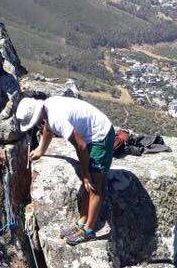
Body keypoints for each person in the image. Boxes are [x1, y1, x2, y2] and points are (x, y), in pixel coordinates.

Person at [16, 96, 115, 245]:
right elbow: (48, 129)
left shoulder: (56, 118)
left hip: (100, 136)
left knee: (94, 185)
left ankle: (88, 231)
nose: (36, 125)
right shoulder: (48, 107)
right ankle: (81, 223)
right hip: (91, 135)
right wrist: (41, 150)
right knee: (86, 185)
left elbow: (80, 146)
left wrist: (87, 175)